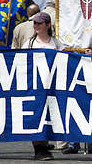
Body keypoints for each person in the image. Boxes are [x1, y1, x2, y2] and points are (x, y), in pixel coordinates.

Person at [21, 12, 62, 160]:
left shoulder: (56, 43)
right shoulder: (30, 43)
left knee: (50, 115)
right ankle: (39, 148)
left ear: (48, 25)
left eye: (39, 23)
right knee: (37, 115)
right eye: (35, 23)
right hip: (35, 85)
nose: (36, 26)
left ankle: (45, 146)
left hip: (52, 85)